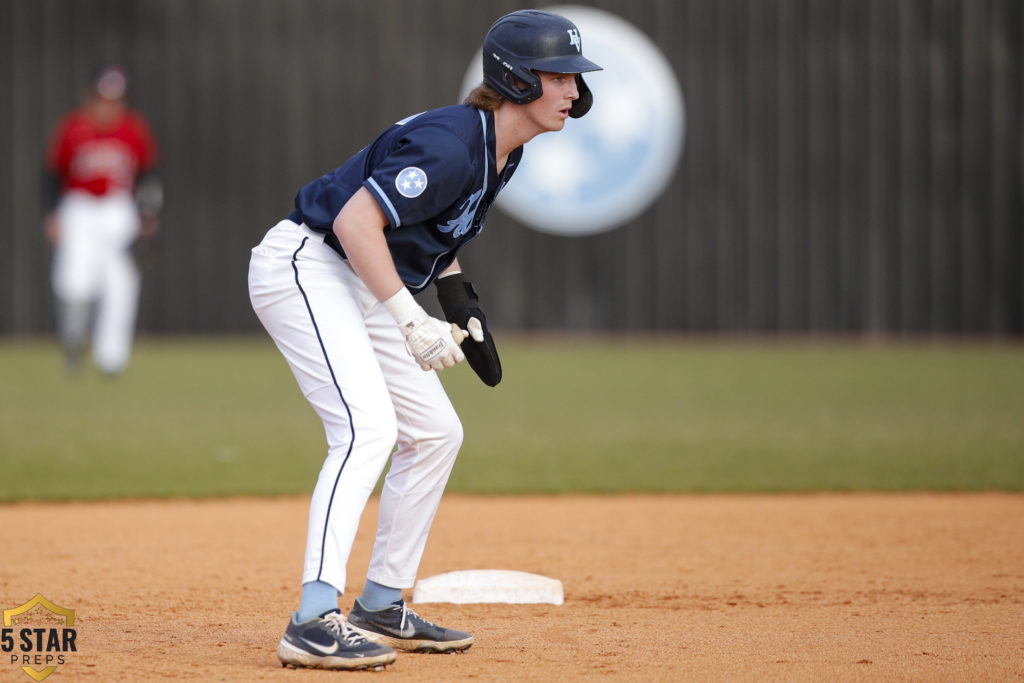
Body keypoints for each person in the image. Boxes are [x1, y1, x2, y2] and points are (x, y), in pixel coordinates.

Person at [249, 10, 601, 671]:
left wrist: (458, 303)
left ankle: (381, 601)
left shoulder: (503, 151)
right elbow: (357, 224)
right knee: (365, 430)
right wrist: (409, 319)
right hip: (309, 263)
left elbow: (438, 238)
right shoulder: (452, 142)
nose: (574, 92)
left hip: (360, 278)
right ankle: (312, 618)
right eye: (561, 77)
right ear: (519, 79)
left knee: (436, 430)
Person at [43, 64, 162, 376]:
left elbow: (148, 175)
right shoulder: (73, 128)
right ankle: (73, 339)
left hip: (119, 210)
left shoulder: (133, 128)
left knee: (120, 284)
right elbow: (52, 174)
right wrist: (52, 214)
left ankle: (111, 359)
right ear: (90, 96)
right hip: (78, 208)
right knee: (73, 284)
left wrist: (148, 214)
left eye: (115, 99)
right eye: (102, 97)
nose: (108, 105)